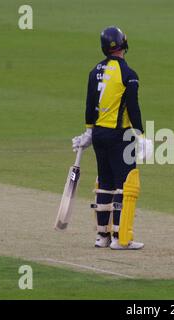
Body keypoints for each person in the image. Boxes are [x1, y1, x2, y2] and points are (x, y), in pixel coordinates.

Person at [72, 26, 151, 250]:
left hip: (99, 135)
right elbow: (133, 108)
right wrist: (141, 134)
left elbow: (89, 105)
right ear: (123, 44)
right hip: (120, 135)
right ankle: (120, 238)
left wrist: (89, 132)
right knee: (124, 185)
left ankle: (102, 236)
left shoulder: (94, 71)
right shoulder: (128, 74)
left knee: (104, 184)